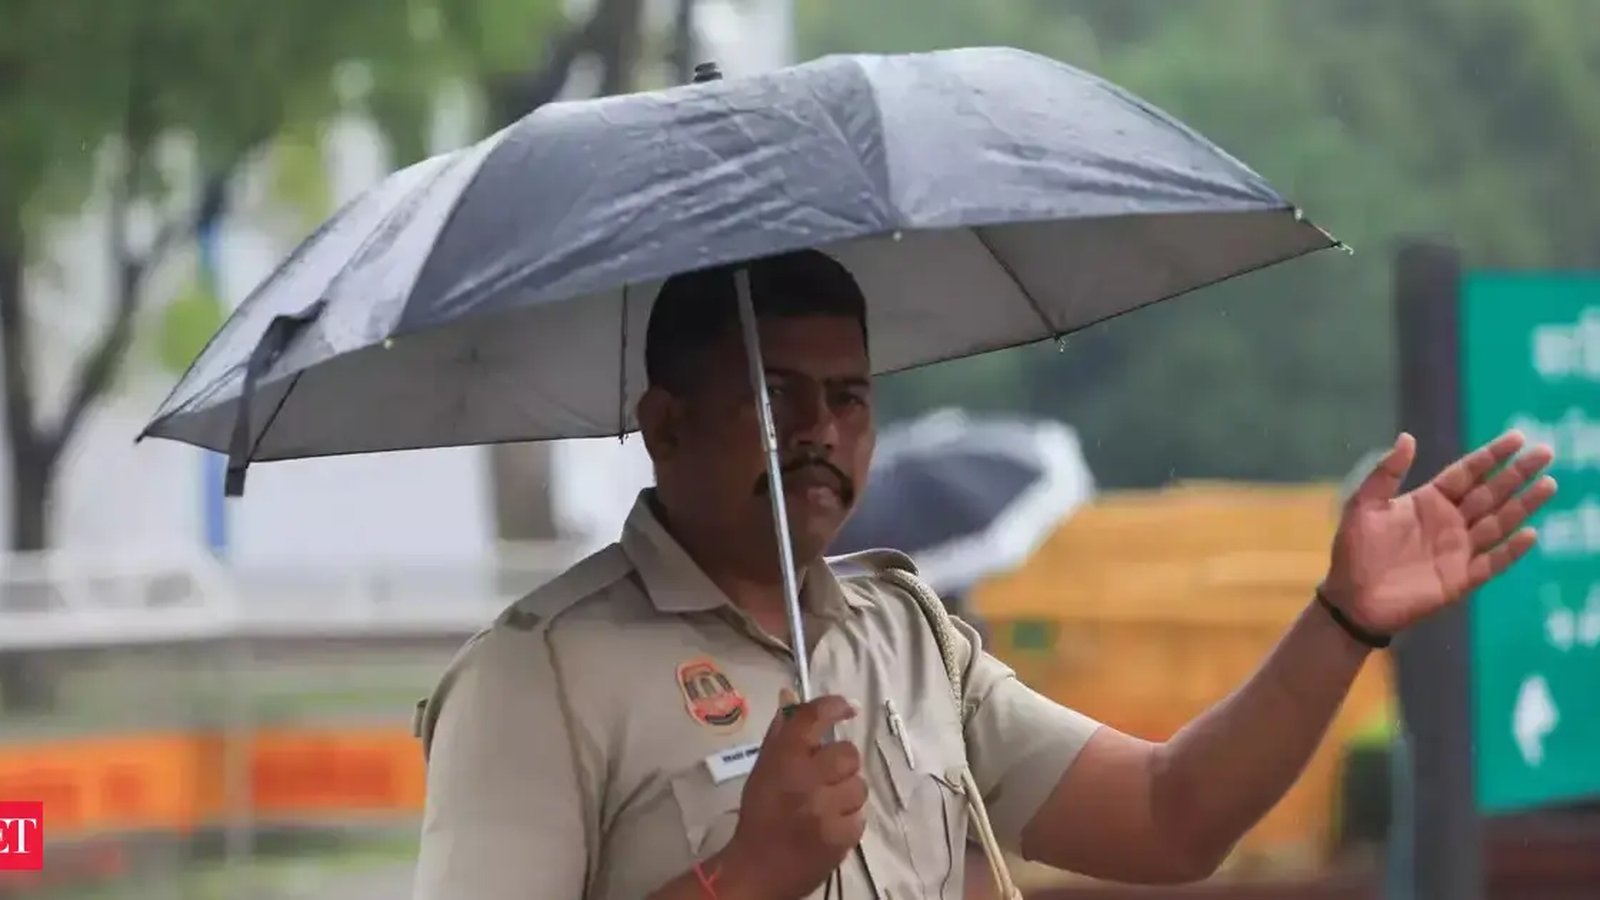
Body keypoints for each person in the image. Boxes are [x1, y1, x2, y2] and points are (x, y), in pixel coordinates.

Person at [410, 249, 1555, 900]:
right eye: (774, 394)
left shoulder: (907, 638)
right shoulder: (537, 678)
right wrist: (744, 875)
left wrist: (1341, 620)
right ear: (666, 423)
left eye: (849, 398)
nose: (819, 431)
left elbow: (1169, 816)